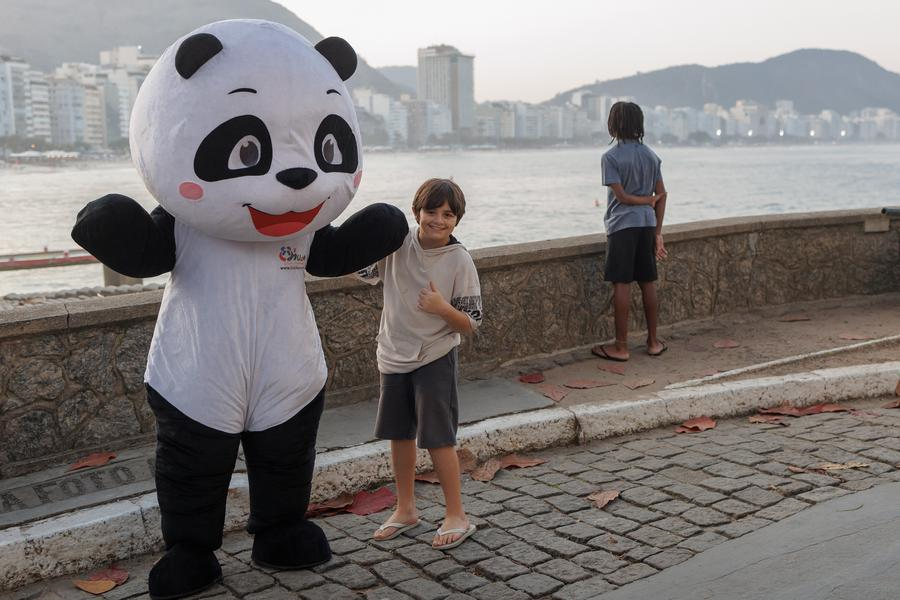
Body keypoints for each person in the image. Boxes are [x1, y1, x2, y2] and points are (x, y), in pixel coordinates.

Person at [357, 178, 483, 550]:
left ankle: (456, 514)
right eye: (431, 212)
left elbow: (471, 321)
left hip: (435, 355)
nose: (438, 220)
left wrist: (442, 308)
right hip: (393, 353)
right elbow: (362, 269)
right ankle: (406, 508)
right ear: (417, 213)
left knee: (439, 437)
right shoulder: (397, 246)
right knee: (399, 434)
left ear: (457, 220)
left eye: (448, 215)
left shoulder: (459, 260)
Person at [593, 101, 668, 362]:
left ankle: (621, 347)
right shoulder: (650, 155)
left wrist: (644, 200)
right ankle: (653, 341)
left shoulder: (611, 157)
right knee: (648, 281)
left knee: (622, 283)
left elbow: (622, 197)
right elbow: (662, 194)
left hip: (622, 226)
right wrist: (657, 232)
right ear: (639, 124)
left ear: (613, 124)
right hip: (647, 225)